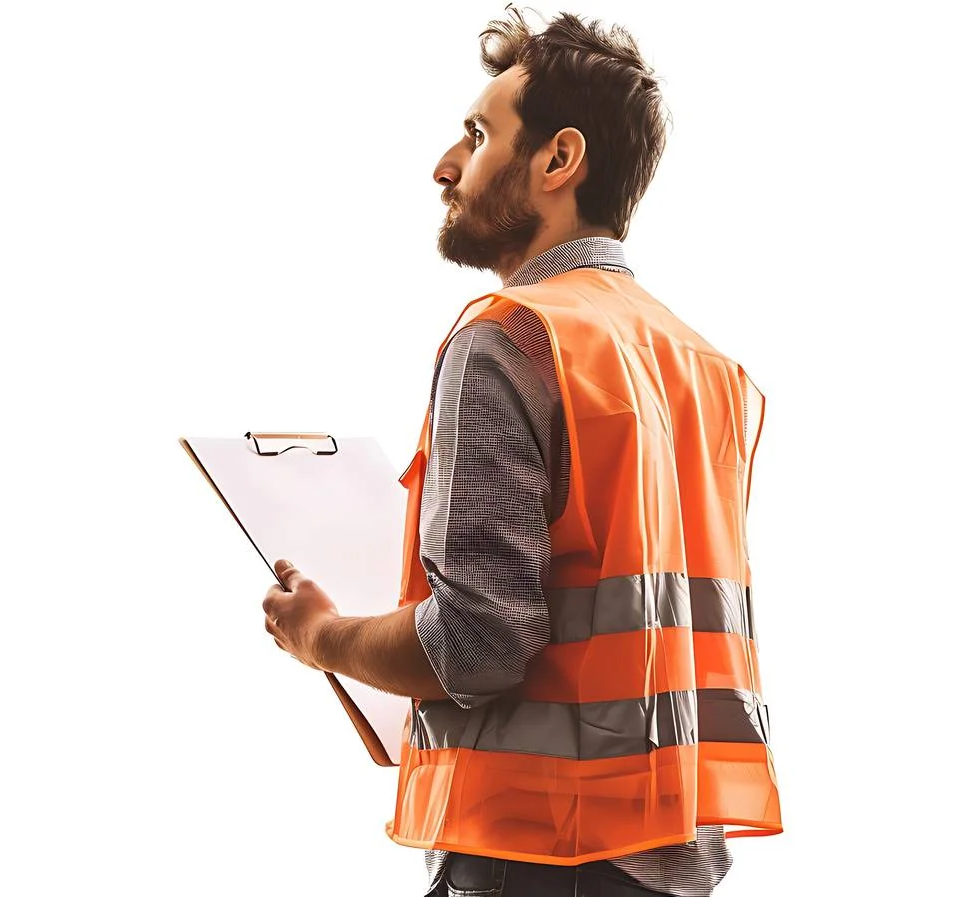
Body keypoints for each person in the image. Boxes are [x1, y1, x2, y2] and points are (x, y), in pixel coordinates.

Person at [260, 8, 782, 896]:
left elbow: (479, 643)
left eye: (477, 135)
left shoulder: (508, 338)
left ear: (558, 159)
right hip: (669, 856)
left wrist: (322, 636)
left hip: (538, 855)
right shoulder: (705, 366)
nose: (446, 165)